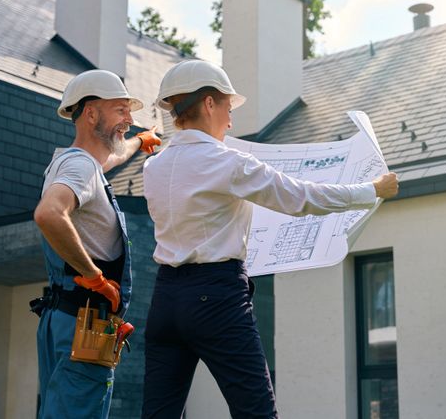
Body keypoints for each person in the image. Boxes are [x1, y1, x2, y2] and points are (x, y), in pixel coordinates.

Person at [141, 59, 398, 418]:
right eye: (228, 107)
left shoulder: (152, 167)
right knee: (256, 412)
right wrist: (371, 189)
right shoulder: (228, 162)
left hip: (165, 300)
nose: (231, 120)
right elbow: (302, 197)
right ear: (210, 103)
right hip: (216, 298)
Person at [32, 69, 161, 419]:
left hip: (66, 320)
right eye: (121, 110)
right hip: (82, 326)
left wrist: (140, 141)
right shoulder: (81, 168)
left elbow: (111, 158)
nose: (129, 119)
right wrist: (94, 277)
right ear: (91, 113)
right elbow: (49, 214)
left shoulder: (79, 162)